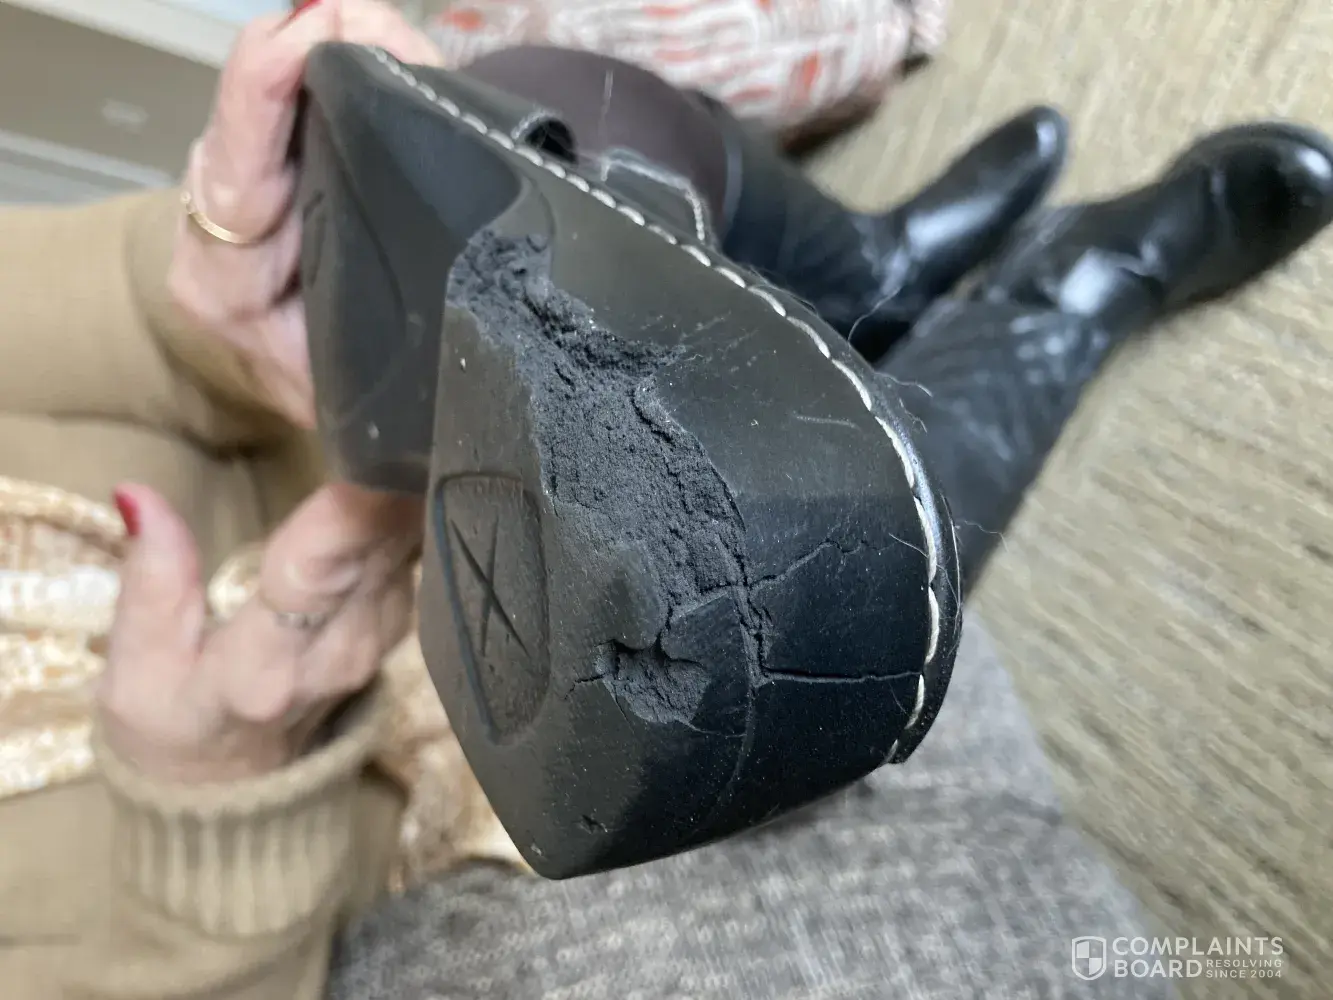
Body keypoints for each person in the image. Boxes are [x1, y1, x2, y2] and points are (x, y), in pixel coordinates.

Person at [3, 6, 1331, 1000]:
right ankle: (1065, 298)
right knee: (774, 589)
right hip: (401, 761)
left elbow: (69, 307)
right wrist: (206, 803)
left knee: (556, 107)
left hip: (355, 419)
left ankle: (875, 263)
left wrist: (211, 290)